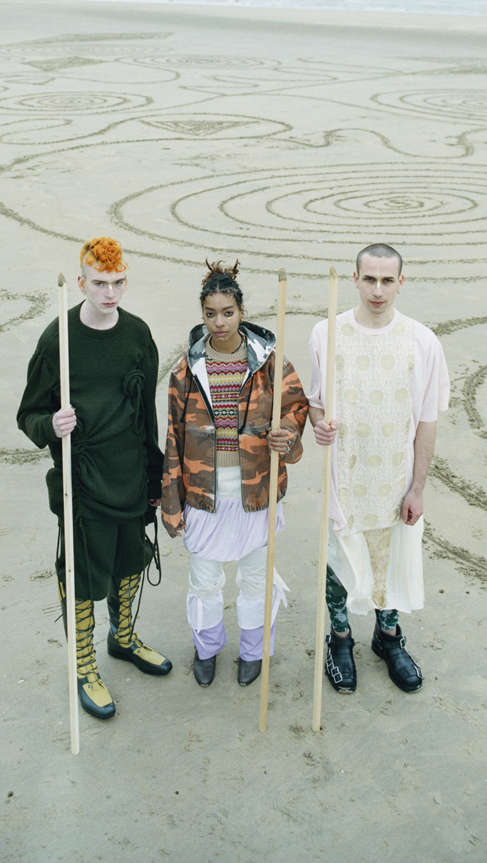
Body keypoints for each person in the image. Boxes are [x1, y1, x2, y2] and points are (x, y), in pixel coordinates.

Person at [16, 236, 172, 721]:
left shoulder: (138, 334)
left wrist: (155, 471)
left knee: (131, 557)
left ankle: (122, 638)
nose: (110, 294)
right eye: (100, 283)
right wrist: (51, 426)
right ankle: (84, 664)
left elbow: (145, 414)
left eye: (118, 282)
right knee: (84, 572)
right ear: (80, 282)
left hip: (130, 473)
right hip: (82, 481)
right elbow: (28, 414)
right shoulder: (56, 340)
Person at [309, 243, 449, 696]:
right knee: (339, 560)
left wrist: (418, 488)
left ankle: (389, 639)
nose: (377, 289)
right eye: (369, 278)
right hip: (345, 476)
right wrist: (319, 427)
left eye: (387, 280)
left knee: (391, 562)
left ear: (401, 282)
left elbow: (427, 419)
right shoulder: (325, 334)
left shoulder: (422, 341)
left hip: (394, 477)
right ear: (354, 279)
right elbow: (314, 403)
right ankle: (341, 639)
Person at [162, 261, 309, 687]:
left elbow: (296, 408)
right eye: (210, 313)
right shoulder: (185, 370)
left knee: (254, 578)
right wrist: (171, 503)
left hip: (255, 494)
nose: (219, 322)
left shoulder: (270, 363)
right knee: (205, 579)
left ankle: (253, 650)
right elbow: (172, 437)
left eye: (228, 312)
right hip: (203, 496)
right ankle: (206, 647)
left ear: (242, 311)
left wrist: (288, 435)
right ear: (202, 315)